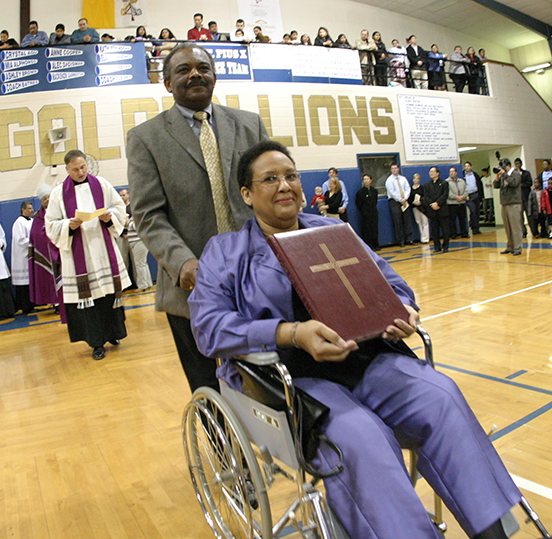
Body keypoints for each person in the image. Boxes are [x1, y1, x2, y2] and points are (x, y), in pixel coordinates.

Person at [189, 140, 523, 539]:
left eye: (291, 176)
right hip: (288, 379)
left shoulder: (333, 231)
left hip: (363, 359)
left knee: (442, 397)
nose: (284, 185)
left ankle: (494, 534)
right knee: (362, 437)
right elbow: (208, 328)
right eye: (270, 179)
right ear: (246, 194)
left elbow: (394, 286)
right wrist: (291, 333)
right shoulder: (225, 253)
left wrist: (402, 312)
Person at [127, 43, 269, 392]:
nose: (195, 74)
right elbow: (147, 214)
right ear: (166, 83)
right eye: (183, 70)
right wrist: (183, 262)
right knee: (206, 384)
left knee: (268, 374)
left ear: (215, 76)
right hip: (190, 282)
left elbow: (271, 187)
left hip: (256, 273)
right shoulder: (145, 138)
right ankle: (223, 445)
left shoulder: (249, 124)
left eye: (203, 68)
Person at [46, 150, 130, 360]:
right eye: (75, 169)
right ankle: (96, 343)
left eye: (83, 167)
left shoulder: (101, 184)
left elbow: (119, 208)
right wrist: (69, 225)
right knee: (90, 300)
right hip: (78, 255)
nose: (81, 171)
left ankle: (113, 333)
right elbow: (50, 225)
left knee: (108, 295)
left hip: (102, 249)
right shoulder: (58, 194)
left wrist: (110, 217)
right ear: (67, 170)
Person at [29, 184, 62, 314]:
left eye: (49, 197)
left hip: (60, 250)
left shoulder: (59, 210)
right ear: (41, 201)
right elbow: (35, 235)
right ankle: (55, 302)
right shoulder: (38, 217)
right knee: (49, 278)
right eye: (44, 199)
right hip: (46, 253)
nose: (47, 200)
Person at [120, 189, 153, 291]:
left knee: (139, 264)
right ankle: (148, 283)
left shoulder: (138, 216)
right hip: (136, 242)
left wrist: (127, 222)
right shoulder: (135, 216)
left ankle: (142, 285)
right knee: (143, 264)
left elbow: (137, 227)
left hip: (139, 242)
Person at [493, 159, 522, 255]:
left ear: (508, 166)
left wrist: (504, 174)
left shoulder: (515, 173)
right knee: (507, 227)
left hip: (514, 204)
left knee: (515, 227)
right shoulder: (502, 176)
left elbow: (514, 183)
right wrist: (497, 176)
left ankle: (518, 247)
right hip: (504, 204)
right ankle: (510, 246)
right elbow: (496, 186)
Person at [11, 201, 34, 315]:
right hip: (23, 257)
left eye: (32, 208)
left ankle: (33, 303)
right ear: (23, 210)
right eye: (29, 208)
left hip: (32, 255)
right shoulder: (18, 223)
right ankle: (25, 306)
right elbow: (20, 240)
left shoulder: (32, 221)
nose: (31, 210)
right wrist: (33, 242)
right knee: (24, 285)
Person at [424, 167, 450, 253]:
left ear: (437, 173)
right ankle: (437, 247)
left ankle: (445, 246)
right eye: (430, 172)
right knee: (434, 230)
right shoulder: (427, 184)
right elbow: (426, 196)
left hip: (442, 209)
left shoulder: (444, 183)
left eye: (432, 172)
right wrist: (432, 204)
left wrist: (437, 203)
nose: (431, 173)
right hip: (432, 211)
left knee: (445, 229)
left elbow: (445, 195)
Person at [386, 163, 411, 246]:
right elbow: (391, 191)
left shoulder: (403, 179)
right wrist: (400, 199)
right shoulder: (389, 180)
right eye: (392, 168)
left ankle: (409, 239)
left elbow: (407, 188)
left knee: (407, 220)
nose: (394, 170)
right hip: (395, 202)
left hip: (405, 201)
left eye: (395, 168)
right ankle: (400, 240)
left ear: (398, 169)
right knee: (398, 221)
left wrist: (405, 198)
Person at [355, 174, 379, 249]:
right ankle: (369, 245)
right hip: (365, 213)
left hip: (374, 212)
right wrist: (364, 211)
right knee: (367, 229)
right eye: (364, 179)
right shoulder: (360, 192)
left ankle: (376, 244)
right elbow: (358, 204)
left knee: (374, 228)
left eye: (367, 179)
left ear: (371, 180)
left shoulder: (374, 191)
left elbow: (375, 201)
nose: (366, 181)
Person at [446, 166, 469, 238]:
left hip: (461, 203)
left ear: (456, 172)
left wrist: (463, 197)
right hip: (452, 203)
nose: (451, 173)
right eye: (450, 172)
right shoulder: (446, 182)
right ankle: (453, 234)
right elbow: (447, 192)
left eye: (453, 171)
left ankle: (464, 233)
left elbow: (466, 190)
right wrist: (456, 197)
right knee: (452, 220)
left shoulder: (461, 181)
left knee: (462, 219)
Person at [463, 161, 484, 235]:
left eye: (468, 166)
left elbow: (480, 185)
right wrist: (465, 195)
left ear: (471, 167)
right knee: (473, 211)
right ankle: (473, 227)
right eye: (465, 166)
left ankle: (477, 228)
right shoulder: (463, 175)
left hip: (476, 194)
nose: (466, 167)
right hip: (469, 196)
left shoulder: (475, 175)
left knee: (477, 212)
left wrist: (481, 196)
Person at [409, 173, 429, 244]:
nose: (416, 180)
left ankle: (426, 238)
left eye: (417, 178)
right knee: (418, 222)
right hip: (415, 207)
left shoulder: (422, 188)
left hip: (422, 207)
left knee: (425, 222)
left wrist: (420, 202)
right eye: (414, 178)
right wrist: (413, 202)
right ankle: (422, 237)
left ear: (419, 180)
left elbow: (425, 197)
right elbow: (409, 199)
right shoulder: (411, 189)